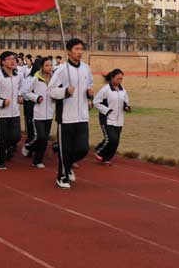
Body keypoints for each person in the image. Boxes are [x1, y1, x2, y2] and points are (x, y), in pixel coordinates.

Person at [48, 38, 94, 189]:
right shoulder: (61, 70)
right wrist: (65, 91)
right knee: (66, 150)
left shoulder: (86, 68)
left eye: (81, 49)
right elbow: (51, 91)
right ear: (68, 51)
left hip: (82, 115)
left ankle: (67, 165)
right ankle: (61, 177)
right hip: (66, 117)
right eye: (76, 49)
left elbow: (90, 84)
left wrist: (90, 94)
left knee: (83, 149)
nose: (79, 52)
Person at [0, 51, 24, 170]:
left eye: (14, 59)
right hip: (2, 112)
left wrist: (20, 96)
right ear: (3, 62)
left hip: (15, 111)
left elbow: (21, 88)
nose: (13, 61)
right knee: (2, 139)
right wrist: (1, 102)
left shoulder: (18, 75)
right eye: (9, 59)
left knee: (16, 137)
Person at [22, 57, 55, 169]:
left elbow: (57, 92)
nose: (49, 68)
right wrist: (36, 97)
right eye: (47, 65)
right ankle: (29, 146)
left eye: (51, 65)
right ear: (41, 67)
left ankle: (37, 160)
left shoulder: (54, 80)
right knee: (40, 137)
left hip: (49, 113)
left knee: (45, 139)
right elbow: (25, 92)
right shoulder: (35, 79)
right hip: (38, 114)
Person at [94, 69, 131, 165]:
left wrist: (127, 107)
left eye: (121, 79)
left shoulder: (123, 90)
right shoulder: (105, 89)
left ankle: (106, 158)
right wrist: (106, 110)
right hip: (107, 119)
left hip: (119, 120)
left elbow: (125, 101)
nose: (120, 81)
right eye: (118, 78)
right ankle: (98, 151)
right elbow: (96, 102)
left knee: (116, 142)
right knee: (110, 139)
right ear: (112, 78)